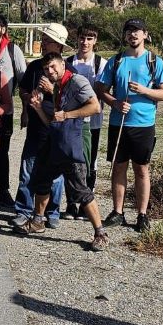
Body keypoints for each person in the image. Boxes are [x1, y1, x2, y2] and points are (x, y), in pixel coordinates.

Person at [17, 54, 109, 251]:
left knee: (80, 191)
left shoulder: (76, 81)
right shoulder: (57, 87)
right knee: (41, 181)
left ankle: (101, 233)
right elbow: (53, 122)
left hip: (71, 146)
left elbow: (95, 107)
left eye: (53, 67)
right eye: (46, 69)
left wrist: (68, 114)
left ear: (62, 64)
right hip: (55, 143)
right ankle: (38, 221)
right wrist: (39, 108)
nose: (50, 71)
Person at [96, 18, 163, 233]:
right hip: (119, 124)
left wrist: (144, 91)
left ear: (145, 34)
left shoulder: (154, 62)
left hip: (144, 124)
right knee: (119, 168)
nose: (133, 35)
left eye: (137, 31)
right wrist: (114, 102)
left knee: (141, 169)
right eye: (129, 31)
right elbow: (101, 88)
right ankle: (117, 212)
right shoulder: (116, 61)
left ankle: (142, 214)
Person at [14, 24, 70, 228]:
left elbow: (72, 98)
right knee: (28, 169)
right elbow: (23, 89)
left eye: (48, 40)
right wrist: (28, 100)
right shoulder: (34, 67)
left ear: (59, 46)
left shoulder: (68, 69)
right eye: (44, 40)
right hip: (36, 127)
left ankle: (52, 212)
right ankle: (24, 208)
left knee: (55, 174)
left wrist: (53, 89)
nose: (44, 44)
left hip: (56, 130)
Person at [0, 12, 27, 208]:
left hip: (4, 111)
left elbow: (23, 81)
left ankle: (3, 190)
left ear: (3, 30)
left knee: (1, 152)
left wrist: (25, 110)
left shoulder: (12, 50)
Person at [67, 24, 106, 202]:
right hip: (72, 120)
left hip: (94, 121)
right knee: (71, 159)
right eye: (82, 38)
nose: (85, 42)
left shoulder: (101, 64)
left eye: (90, 39)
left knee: (91, 160)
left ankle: (86, 200)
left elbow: (103, 91)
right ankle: (72, 202)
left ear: (95, 41)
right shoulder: (68, 62)